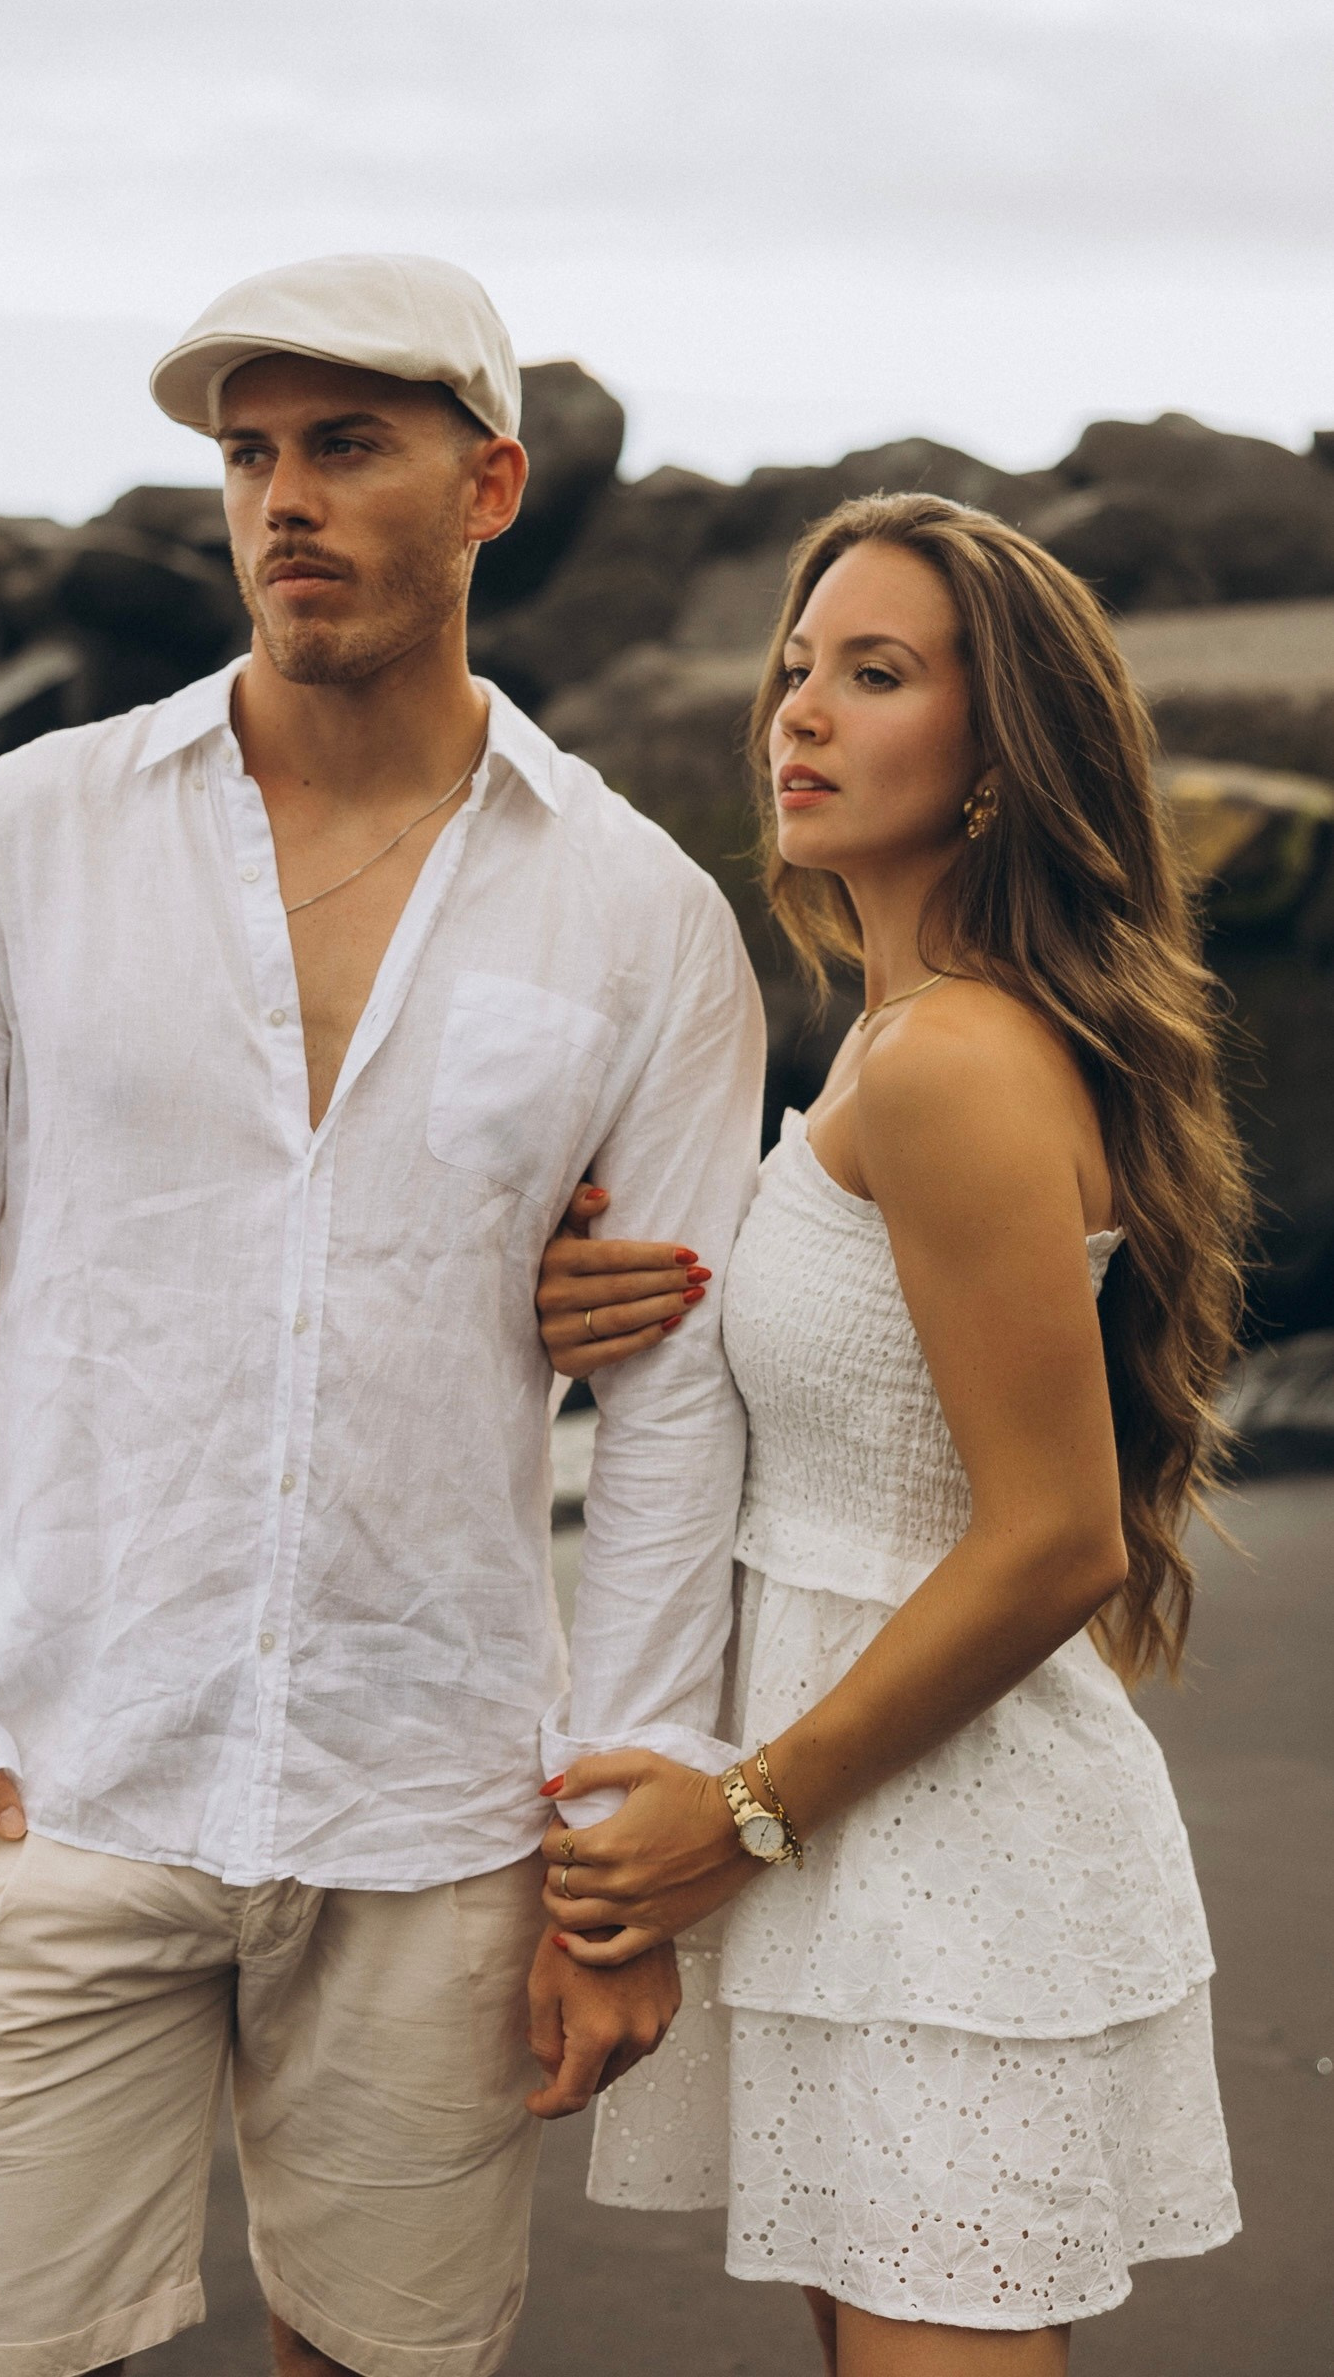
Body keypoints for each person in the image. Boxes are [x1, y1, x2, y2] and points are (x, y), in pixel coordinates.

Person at [0, 251, 766, 2377]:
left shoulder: (639, 913)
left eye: (345, 447)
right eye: (247, 452)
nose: (281, 498)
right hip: (50, 1767)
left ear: (489, 488)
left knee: (381, 2364)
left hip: (434, 1807)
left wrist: (624, 1818)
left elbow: (667, 1398)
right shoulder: (20, 841)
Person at [533, 491, 1244, 2374]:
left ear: (998, 752)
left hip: (931, 1859)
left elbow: (1054, 1537)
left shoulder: (948, 1064)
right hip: (876, 1844)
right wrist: (587, 1307)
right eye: (792, 671)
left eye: (874, 673)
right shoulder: (884, 1035)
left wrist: (743, 1813)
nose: (799, 715)